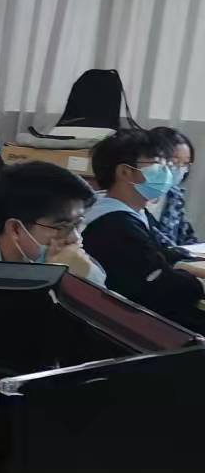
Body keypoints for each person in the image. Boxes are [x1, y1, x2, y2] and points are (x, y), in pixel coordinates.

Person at [82, 129, 205, 332]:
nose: (168, 173)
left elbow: (158, 253)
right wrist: (199, 283)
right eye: (159, 164)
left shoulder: (133, 211)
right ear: (125, 172)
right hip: (133, 326)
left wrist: (186, 265)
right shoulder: (115, 225)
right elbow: (160, 286)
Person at [0, 162, 105, 284]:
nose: (74, 237)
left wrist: (87, 276)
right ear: (15, 229)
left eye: (77, 224)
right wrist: (53, 279)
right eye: (61, 227)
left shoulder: (65, 256)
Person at [149, 127, 198, 248]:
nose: (181, 169)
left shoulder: (174, 196)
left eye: (185, 163)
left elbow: (187, 238)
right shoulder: (134, 197)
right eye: (174, 162)